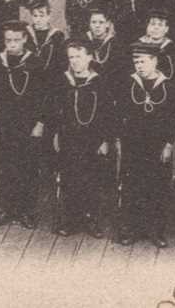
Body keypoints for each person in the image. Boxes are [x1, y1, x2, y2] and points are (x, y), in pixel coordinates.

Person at [39, 38, 113, 238]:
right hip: (69, 137)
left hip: (93, 139)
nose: (74, 61)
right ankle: (71, 219)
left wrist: (106, 139)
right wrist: (53, 134)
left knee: (92, 178)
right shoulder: (62, 81)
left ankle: (92, 219)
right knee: (70, 178)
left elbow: (107, 114)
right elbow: (53, 110)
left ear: (90, 57)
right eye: (71, 57)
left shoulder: (99, 83)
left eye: (79, 57)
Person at [112, 41, 175, 248]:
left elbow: (172, 118)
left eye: (142, 61)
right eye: (136, 62)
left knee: (157, 187)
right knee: (132, 186)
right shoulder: (127, 83)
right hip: (133, 145)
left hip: (157, 147)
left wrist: (168, 145)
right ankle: (129, 229)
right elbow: (118, 113)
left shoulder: (168, 86)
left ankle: (156, 231)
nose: (138, 66)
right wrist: (119, 140)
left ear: (154, 61)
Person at [0, 20, 44, 229]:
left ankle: (26, 210)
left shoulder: (35, 64)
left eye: (17, 40)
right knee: (4, 165)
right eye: (8, 40)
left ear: (25, 39)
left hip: (28, 122)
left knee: (27, 165)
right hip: (4, 122)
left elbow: (45, 96)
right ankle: (7, 208)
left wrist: (40, 123)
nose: (12, 44)